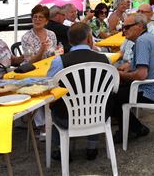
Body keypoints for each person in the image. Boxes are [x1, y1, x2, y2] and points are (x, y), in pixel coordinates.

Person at [47, 22, 110, 161]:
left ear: (69, 41)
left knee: (54, 106)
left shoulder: (59, 61)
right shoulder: (104, 59)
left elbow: (50, 86)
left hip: (67, 117)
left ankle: (62, 149)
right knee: (93, 98)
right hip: (98, 114)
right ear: (89, 38)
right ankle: (92, 148)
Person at [112, 13, 154, 143]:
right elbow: (141, 68)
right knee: (118, 91)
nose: (123, 30)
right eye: (123, 27)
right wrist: (128, 68)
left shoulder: (142, 41)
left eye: (127, 27)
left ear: (139, 26)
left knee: (111, 97)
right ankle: (134, 128)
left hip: (152, 91)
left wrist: (120, 74)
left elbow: (141, 75)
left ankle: (131, 130)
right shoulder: (148, 37)